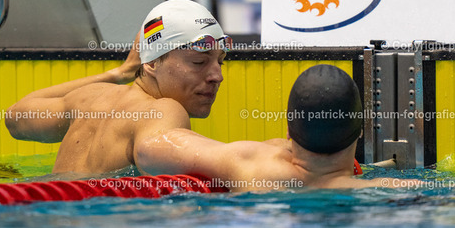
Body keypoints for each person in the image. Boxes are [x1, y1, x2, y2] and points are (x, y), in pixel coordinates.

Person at [5, 0, 232, 174]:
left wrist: (119, 73)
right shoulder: (162, 111)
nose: (217, 76)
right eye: (199, 62)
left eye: (220, 62)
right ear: (152, 63)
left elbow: (15, 117)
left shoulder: (89, 98)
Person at [135, 65, 422, 191]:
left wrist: (268, 149)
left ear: (288, 130)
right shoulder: (393, 189)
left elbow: (149, 150)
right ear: (360, 130)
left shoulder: (249, 165)